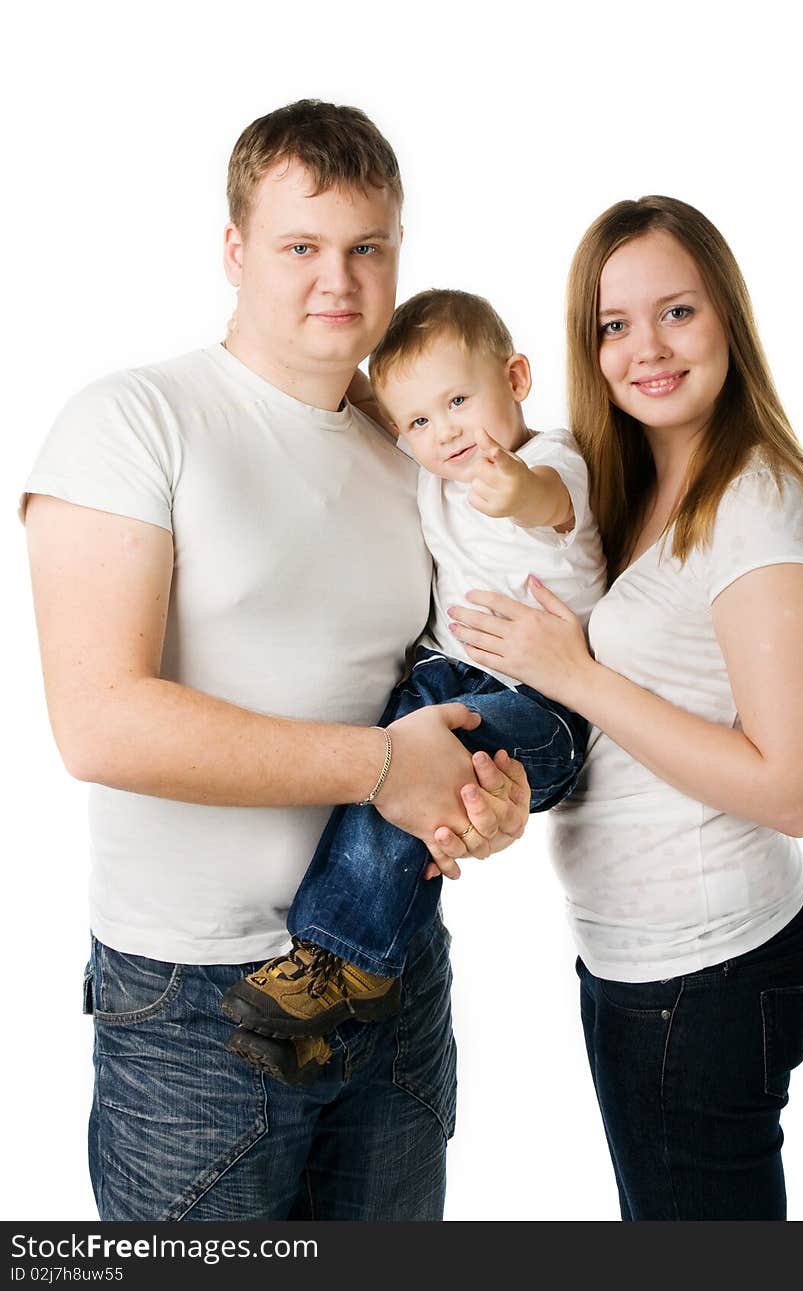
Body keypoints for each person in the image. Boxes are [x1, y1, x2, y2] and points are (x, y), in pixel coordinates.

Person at [21, 100, 531, 1222]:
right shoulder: (134, 420)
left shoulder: (414, 454)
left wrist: (486, 801)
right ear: (235, 251)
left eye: (367, 247)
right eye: (301, 246)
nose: (335, 279)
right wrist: (382, 767)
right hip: (193, 1002)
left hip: (391, 975)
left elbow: (445, 692)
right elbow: (99, 722)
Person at [447, 196, 803, 1220]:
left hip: (704, 971)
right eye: (613, 325)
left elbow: (795, 786)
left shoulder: (754, 504)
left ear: (728, 319)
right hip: (646, 960)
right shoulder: (631, 484)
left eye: (677, 311)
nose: (646, 348)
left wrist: (574, 674)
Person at [219, 289, 606, 1077]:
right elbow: (374, 392)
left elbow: (549, 501)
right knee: (391, 769)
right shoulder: (430, 468)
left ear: (518, 377)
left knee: (422, 761)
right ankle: (326, 1001)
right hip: (441, 673)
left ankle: (336, 955)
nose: (446, 432)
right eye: (421, 423)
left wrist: (516, 489)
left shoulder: (552, 457)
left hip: (546, 707)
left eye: (460, 401)